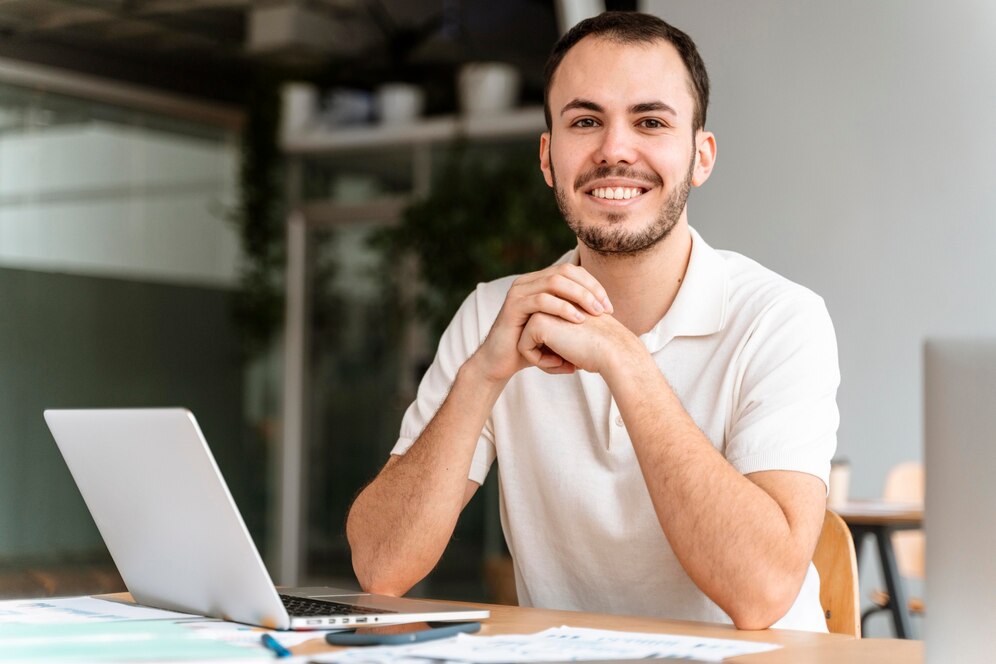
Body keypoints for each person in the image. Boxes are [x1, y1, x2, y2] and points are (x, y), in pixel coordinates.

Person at [346, 11, 839, 632]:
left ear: (701, 156)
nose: (614, 151)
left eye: (651, 122)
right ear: (549, 159)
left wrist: (625, 360)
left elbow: (762, 594)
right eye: (585, 122)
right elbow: (380, 566)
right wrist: (481, 377)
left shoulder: (781, 320)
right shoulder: (493, 315)